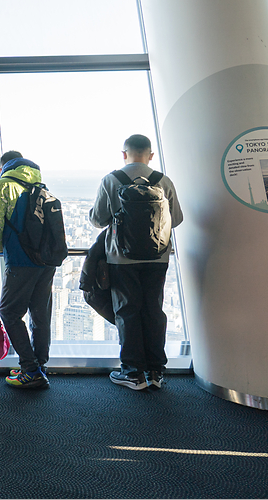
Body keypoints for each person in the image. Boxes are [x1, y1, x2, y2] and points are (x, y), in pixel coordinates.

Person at [90, 134, 183, 391]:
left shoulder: (112, 180)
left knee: (127, 311)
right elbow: (176, 219)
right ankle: (156, 372)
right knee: (154, 310)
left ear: (124, 154)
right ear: (151, 155)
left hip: (121, 259)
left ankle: (132, 373)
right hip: (158, 258)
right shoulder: (163, 181)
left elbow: (98, 219)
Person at [0, 150, 55, 389]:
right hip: (46, 261)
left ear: (4, 166)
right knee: (39, 313)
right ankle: (40, 364)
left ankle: (30, 368)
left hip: (20, 260)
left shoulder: (3, 186)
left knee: (9, 312)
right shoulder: (40, 185)